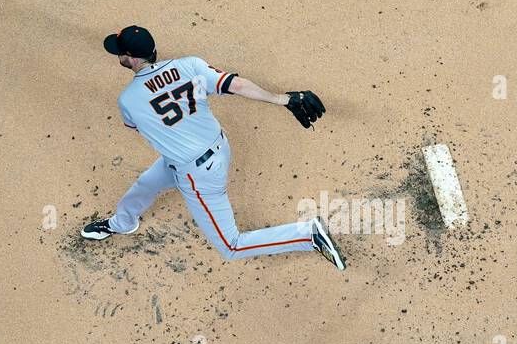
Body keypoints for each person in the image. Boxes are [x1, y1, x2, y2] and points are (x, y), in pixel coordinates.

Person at [82, 25, 346, 270]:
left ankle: (308, 234)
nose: (119, 57)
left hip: (197, 175)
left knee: (232, 245)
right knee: (146, 184)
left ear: (133, 59)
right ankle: (123, 222)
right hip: (218, 147)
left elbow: (140, 126)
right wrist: (284, 99)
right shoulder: (190, 65)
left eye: (121, 53)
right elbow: (238, 85)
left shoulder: (128, 99)